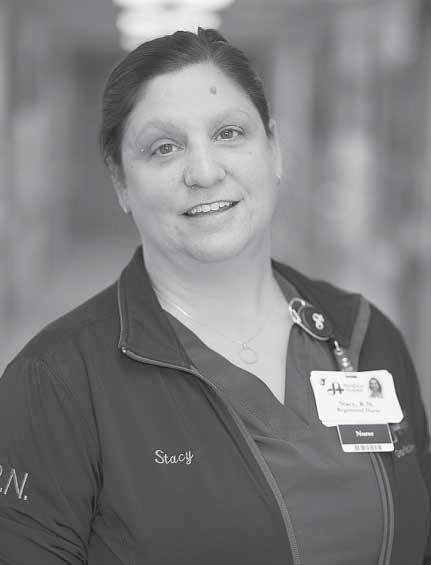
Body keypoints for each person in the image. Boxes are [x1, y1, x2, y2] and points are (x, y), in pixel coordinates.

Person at [0, 28, 429, 565]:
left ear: (274, 150)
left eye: (229, 133)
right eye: (164, 148)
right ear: (120, 183)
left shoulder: (365, 335)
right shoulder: (55, 383)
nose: (204, 172)